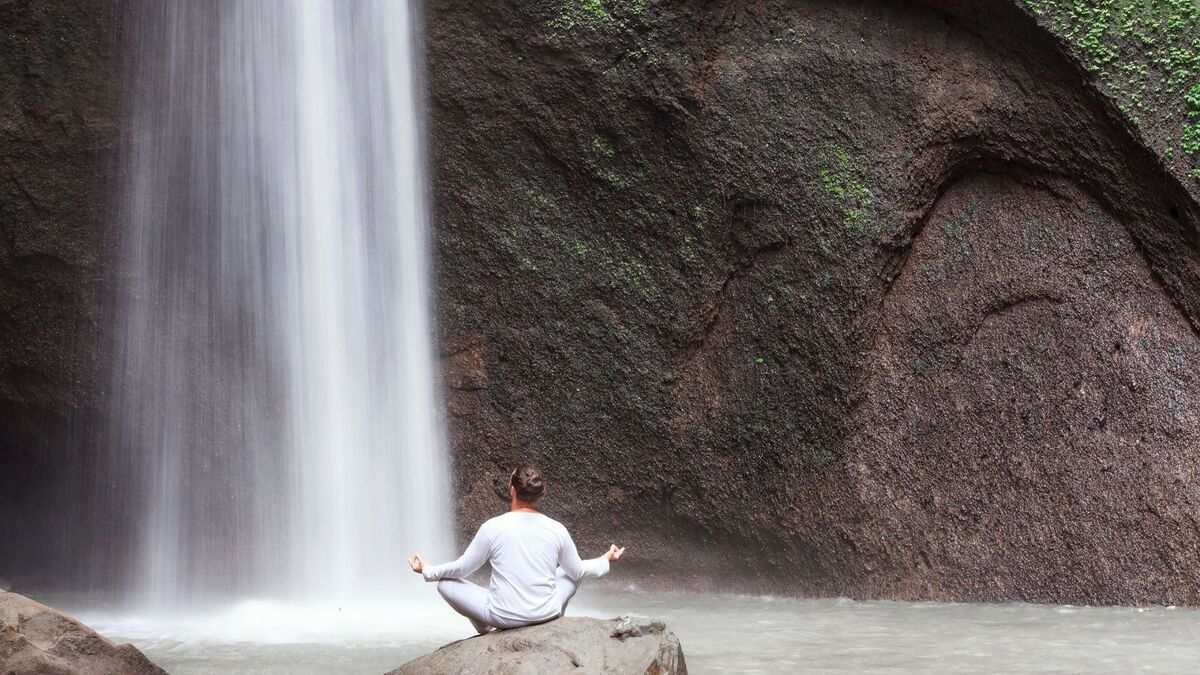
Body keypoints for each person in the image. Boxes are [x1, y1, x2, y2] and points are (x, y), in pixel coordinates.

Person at [408, 464, 625, 634]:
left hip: (504, 617)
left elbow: (463, 569)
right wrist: (605, 560)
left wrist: (428, 570)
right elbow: (577, 571)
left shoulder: (492, 527)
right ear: (540, 494)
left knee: (445, 584)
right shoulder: (557, 529)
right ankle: (553, 620)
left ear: (511, 490)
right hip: (546, 612)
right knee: (568, 573)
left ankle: (487, 629)